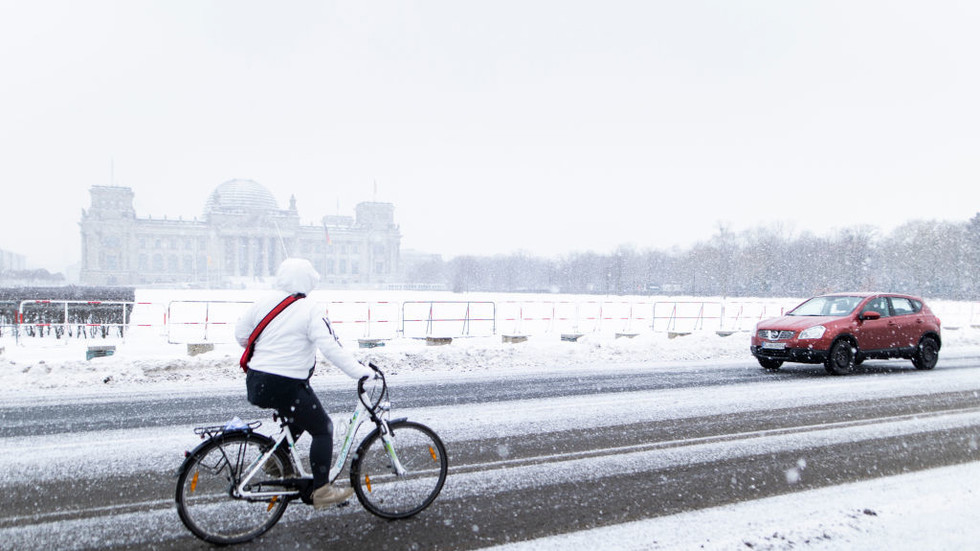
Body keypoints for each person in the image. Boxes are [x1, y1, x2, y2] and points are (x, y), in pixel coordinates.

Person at [235, 257, 373, 508]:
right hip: (286, 383)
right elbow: (330, 347)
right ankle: (321, 491)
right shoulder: (310, 308)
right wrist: (359, 372)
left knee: (299, 417)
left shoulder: (262, 302)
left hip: (257, 382)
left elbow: (241, 336)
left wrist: (272, 349)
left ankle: (275, 459)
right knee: (322, 429)